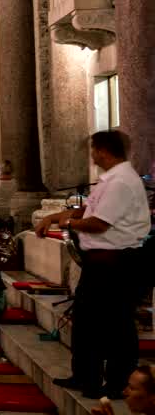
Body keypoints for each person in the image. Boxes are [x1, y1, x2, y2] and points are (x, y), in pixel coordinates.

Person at [37, 130, 150, 400]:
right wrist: (54, 216)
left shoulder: (121, 181)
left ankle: (117, 382)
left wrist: (67, 223)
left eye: (93, 149)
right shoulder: (110, 180)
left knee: (115, 324)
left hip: (116, 264)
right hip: (99, 264)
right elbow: (86, 209)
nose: (92, 155)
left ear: (102, 150)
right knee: (87, 322)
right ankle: (85, 375)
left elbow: (99, 223)